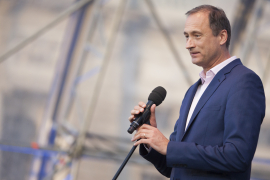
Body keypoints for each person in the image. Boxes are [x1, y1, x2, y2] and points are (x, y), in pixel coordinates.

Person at [129, 5, 265, 180]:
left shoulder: (244, 81)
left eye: (197, 35)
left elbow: (238, 156)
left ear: (222, 36)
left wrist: (169, 147)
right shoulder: (193, 90)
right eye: (186, 36)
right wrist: (150, 136)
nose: (188, 45)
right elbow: (173, 168)